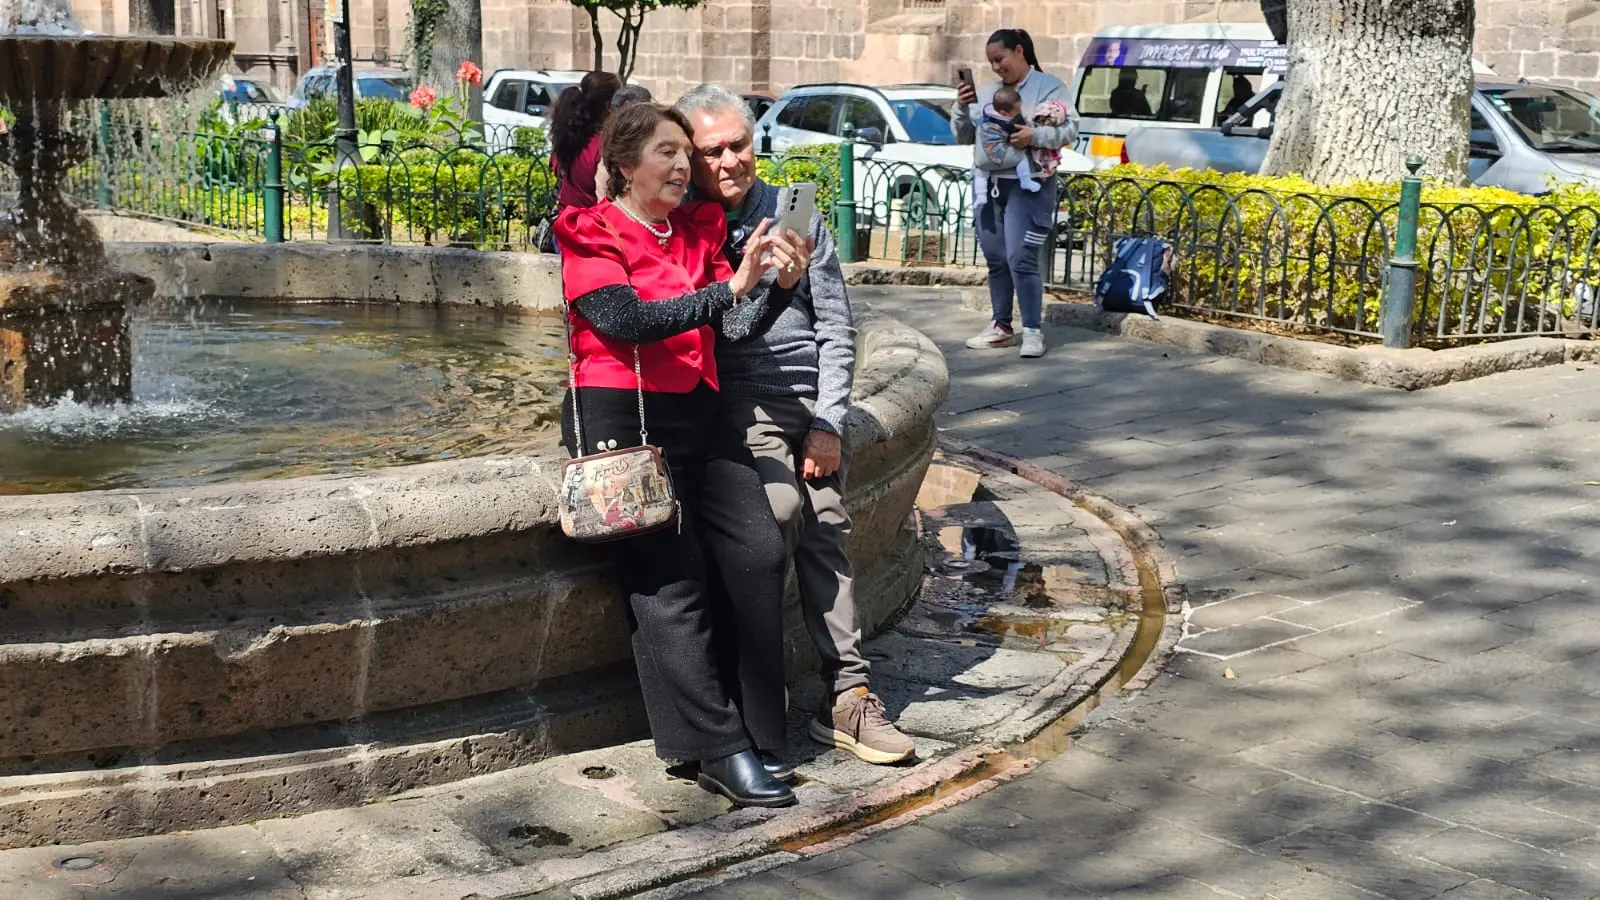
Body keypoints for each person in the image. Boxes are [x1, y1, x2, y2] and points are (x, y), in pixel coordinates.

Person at [553, 103, 814, 807]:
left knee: (758, 547)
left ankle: (756, 731)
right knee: (668, 587)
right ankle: (719, 749)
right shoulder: (590, 230)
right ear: (626, 162)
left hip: (699, 408)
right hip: (622, 414)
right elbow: (624, 320)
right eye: (666, 153)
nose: (681, 167)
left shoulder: (695, 230)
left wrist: (777, 286)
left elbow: (730, 326)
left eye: (684, 155)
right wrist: (726, 288)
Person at [676, 83, 917, 765]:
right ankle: (759, 685)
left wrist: (828, 421)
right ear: (690, 159)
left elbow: (839, 329)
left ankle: (848, 695)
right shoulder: (691, 226)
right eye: (711, 150)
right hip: (741, 408)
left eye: (739, 145)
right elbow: (713, 335)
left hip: (806, 405)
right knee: (781, 509)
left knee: (829, 523)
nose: (729, 161)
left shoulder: (795, 208)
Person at [953, 28, 1079, 359]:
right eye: (991, 62)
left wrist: (1034, 136)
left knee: (1020, 259)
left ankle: (1033, 331)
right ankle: (1001, 326)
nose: (996, 68)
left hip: (1030, 185)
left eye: (1000, 59)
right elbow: (965, 136)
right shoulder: (988, 92)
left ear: (1019, 51)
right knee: (996, 258)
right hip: (988, 185)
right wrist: (960, 107)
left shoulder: (1049, 86)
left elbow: (1071, 130)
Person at [549, 71, 622, 211]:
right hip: (589, 226)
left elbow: (555, 168)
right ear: (608, 106)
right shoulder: (604, 147)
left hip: (564, 222)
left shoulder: (569, 137)